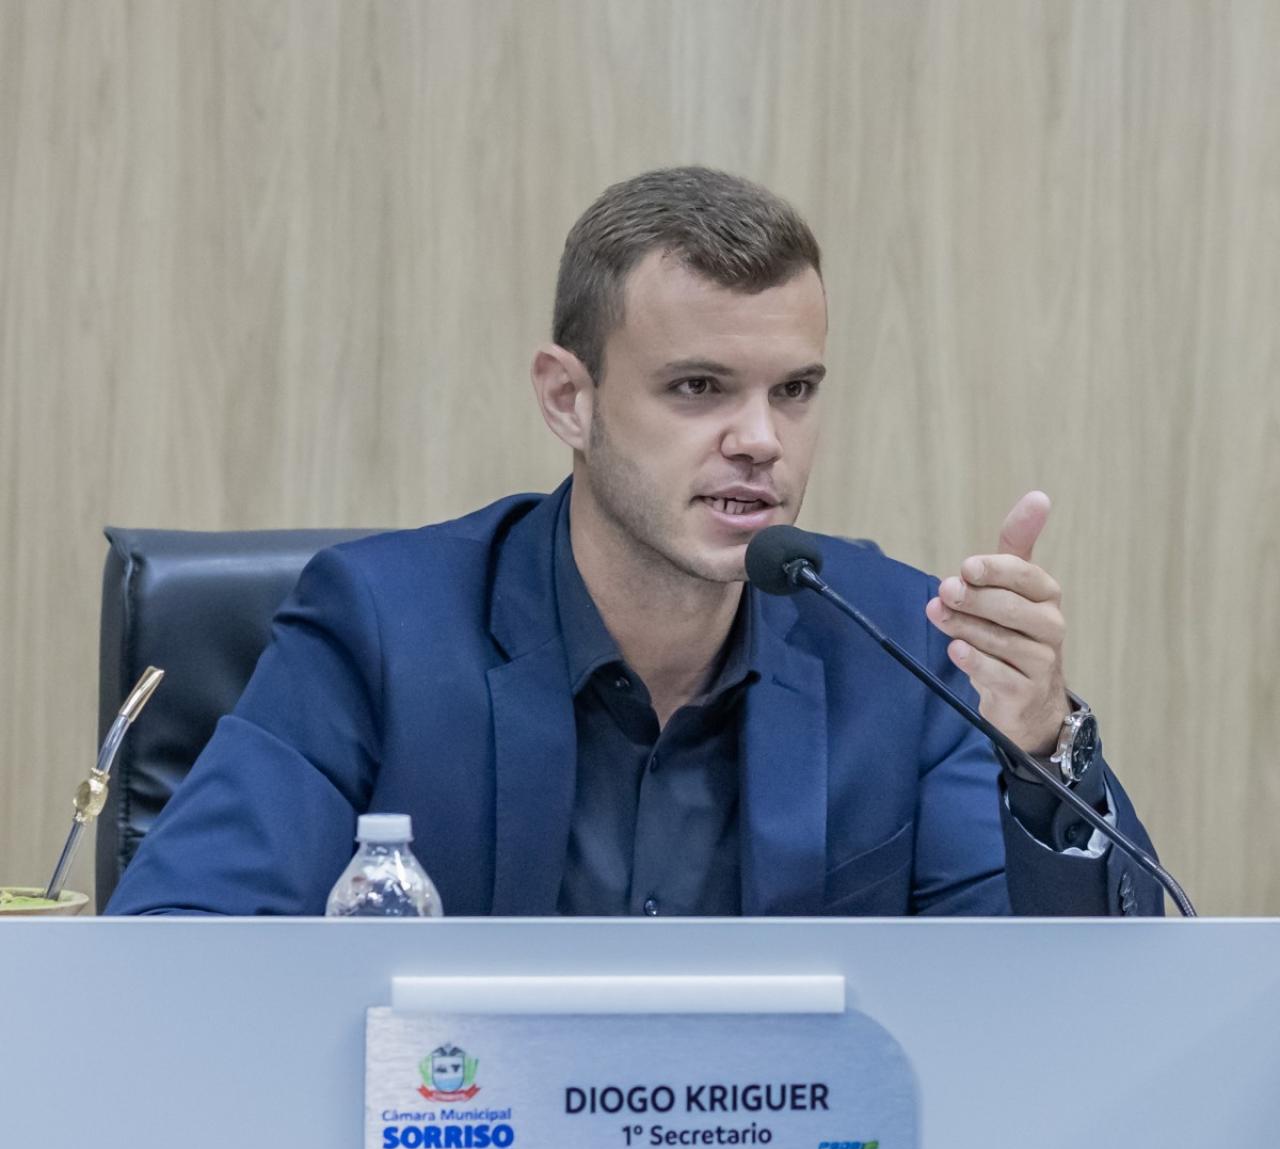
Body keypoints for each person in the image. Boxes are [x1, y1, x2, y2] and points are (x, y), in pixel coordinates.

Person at [107, 166, 1162, 918]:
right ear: (568, 399)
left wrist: (1040, 750)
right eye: (698, 387)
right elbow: (177, 947)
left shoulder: (904, 642)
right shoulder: (379, 628)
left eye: (794, 390)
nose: (760, 440)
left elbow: (1056, 1011)